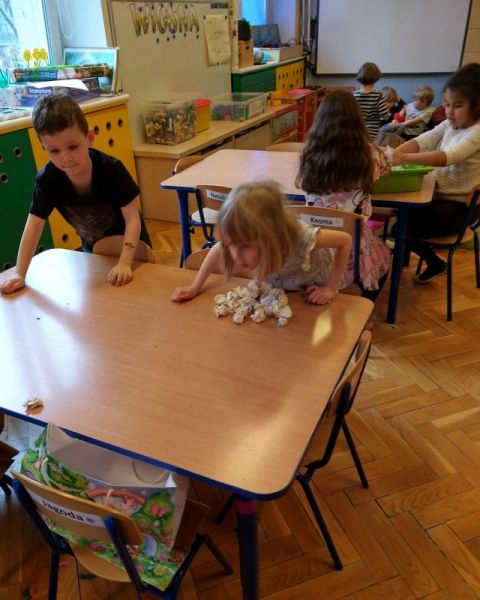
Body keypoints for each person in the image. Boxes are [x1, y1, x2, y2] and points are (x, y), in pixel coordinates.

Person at [0, 92, 151, 294]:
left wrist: (124, 263)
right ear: (44, 147)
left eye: (72, 146)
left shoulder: (112, 169)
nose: (66, 158)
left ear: (89, 138)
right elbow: (34, 225)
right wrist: (20, 273)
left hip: (133, 249)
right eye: (54, 151)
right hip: (94, 251)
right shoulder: (47, 180)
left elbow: (132, 218)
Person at [171, 180, 351, 305]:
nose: (236, 255)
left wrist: (330, 288)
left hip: (314, 289)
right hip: (283, 289)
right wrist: (195, 286)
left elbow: (345, 241)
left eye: (245, 246)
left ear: (270, 236)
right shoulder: (242, 239)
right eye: (231, 244)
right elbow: (219, 248)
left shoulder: (302, 237)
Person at [296, 90, 392, 301]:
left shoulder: (309, 152)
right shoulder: (369, 153)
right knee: (384, 259)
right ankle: (364, 306)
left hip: (315, 237)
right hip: (352, 237)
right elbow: (384, 172)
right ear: (357, 121)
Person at [392, 63, 480, 283]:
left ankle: (435, 262)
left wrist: (403, 159)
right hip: (438, 198)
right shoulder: (450, 123)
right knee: (401, 214)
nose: (449, 111)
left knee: (401, 225)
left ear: (477, 105)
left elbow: (449, 156)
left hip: (459, 209)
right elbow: (424, 140)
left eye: (457, 105)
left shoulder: (477, 130)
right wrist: (394, 153)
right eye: (446, 104)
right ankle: (429, 262)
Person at [353, 62, 390, 140]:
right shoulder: (378, 96)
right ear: (375, 78)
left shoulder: (353, 95)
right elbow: (385, 116)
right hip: (373, 135)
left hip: (356, 133)